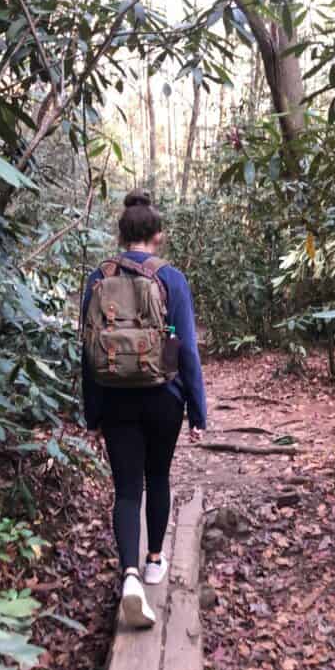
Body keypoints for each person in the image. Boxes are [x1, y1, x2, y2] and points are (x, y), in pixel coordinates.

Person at [81, 190, 207, 628]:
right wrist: (198, 411)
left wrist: (91, 413)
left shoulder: (98, 277)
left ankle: (129, 575)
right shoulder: (171, 278)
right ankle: (155, 559)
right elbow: (186, 349)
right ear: (158, 235)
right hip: (164, 398)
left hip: (114, 396)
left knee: (126, 489)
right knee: (158, 478)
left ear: (121, 234)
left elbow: (88, 350)